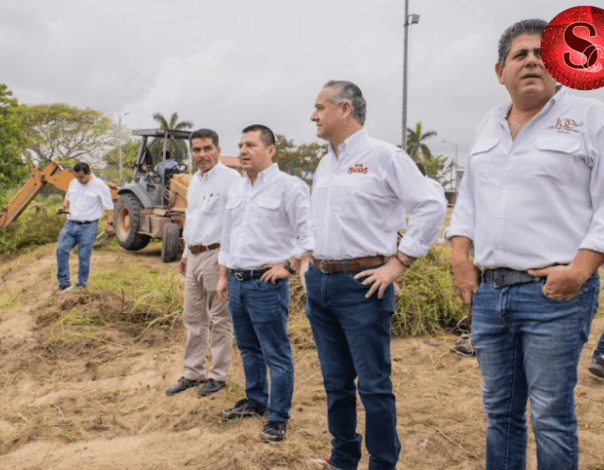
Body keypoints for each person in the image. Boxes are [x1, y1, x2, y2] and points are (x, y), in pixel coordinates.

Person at [446, 19, 604, 469]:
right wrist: (460, 255)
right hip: (490, 293)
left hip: (554, 294)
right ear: (500, 72)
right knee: (500, 412)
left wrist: (579, 270)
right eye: (520, 55)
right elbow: (469, 201)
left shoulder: (590, 117)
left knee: (551, 415)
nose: (532, 60)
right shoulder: (487, 125)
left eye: (542, 54)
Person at [305, 80, 446, 470]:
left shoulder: (385, 156)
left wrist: (399, 263)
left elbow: (432, 205)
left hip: (363, 285)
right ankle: (343, 458)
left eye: (320, 107)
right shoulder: (326, 161)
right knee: (335, 384)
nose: (313, 116)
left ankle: (383, 463)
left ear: (344, 109)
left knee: (373, 386)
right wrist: (307, 268)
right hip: (321, 283)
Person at [216, 124, 313, 443]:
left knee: (276, 352)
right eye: (241, 144)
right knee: (247, 348)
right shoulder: (236, 190)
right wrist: (223, 276)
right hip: (238, 282)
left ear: (271, 150)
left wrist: (289, 265)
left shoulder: (289, 187)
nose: (243, 151)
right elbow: (227, 238)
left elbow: (308, 233)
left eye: (251, 145)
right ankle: (255, 400)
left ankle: (278, 416)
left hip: (266, 285)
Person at [165, 129, 240, 397]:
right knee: (193, 317)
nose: (202, 154)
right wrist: (185, 254)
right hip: (195, 255)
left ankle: (217, 375)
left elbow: (234, 225)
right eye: (197, 150)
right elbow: (193, 219)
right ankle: (193, 372)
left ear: (218, 150)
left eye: (208, 148)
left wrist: (225, 266)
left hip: (217, 255)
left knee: (220, 318)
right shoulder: (194, 181)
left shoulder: (231, 180)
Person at [55, 162, 114, 292]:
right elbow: (68, 198)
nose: (79, 180)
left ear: (89, 173)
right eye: (77, 177)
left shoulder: (100, 186)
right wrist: (63, 207)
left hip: (88, 227)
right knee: (61, 250)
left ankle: (81, 285)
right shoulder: (73, 183)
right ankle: (64, 284)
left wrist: (109, 224)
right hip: (70, 224)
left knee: (84, 256)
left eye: (81, 177)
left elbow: (110, 207)